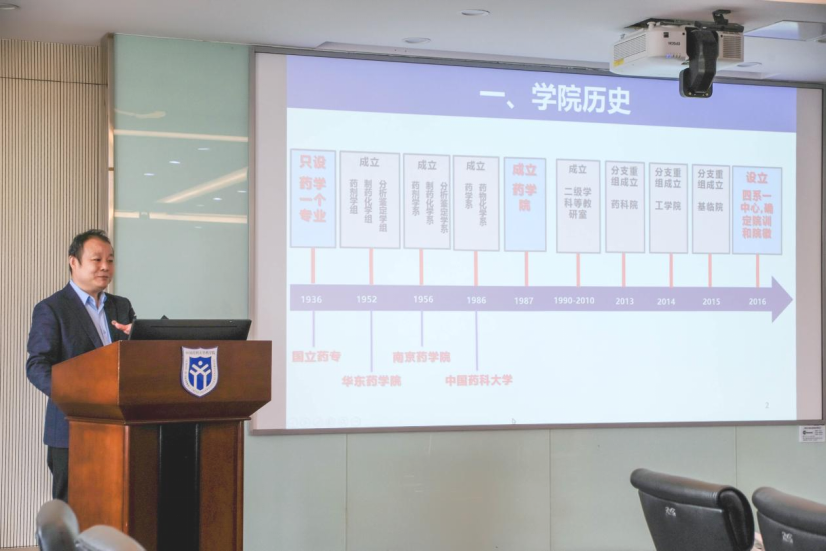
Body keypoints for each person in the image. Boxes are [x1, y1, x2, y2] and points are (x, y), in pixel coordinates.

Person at [26, 229, 135, 502]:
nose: (105, 267)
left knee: (114, 507)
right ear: (73, 262)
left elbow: (132, 361)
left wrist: (139, 339)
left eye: (110, 260)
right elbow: (37, 366)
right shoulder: (52, 308)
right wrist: (77, 397)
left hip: (119, 427)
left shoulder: (121, 306)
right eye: (96, 259)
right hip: (71, 430)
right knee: (72, 511)